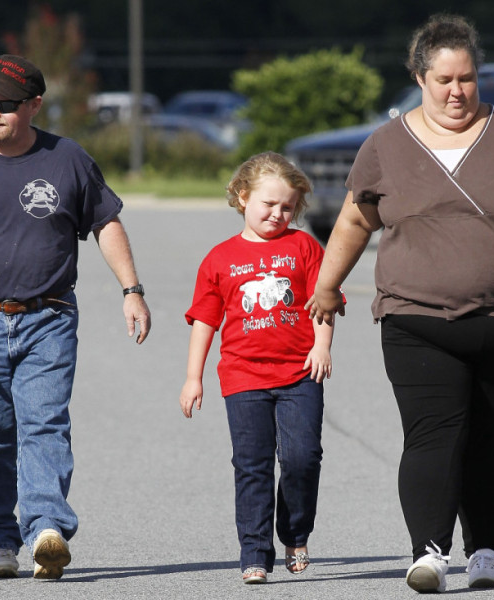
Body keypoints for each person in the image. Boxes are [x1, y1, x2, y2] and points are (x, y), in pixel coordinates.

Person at [306, 14, 494, 593]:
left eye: (468, 79)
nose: (457, 91)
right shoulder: (385, 145)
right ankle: (429, 552)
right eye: (444, 80)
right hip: (415, 317)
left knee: (487, 438)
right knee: (432, 434)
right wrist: (328, 286)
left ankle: (486, 553)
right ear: (419, 77)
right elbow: (356, 217)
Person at [0, 54, 151, 580]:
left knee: (43, 423)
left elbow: (106, 223)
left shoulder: (68, 160)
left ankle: (46, 529)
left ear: (34, 105)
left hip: (49, 317)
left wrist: (131, 289)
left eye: (6, 104)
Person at [179, 152, 333, 585]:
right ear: (242, 197)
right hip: (243, 375)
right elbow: (206, 320)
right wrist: (194, 377)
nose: (277, 214)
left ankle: (295, 532)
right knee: (252, 464)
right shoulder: (219, 258)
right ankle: (255, 552)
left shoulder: (303, 247)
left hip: (301, 373)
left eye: (287, 207)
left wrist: (322, 347)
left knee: (302, 458)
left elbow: (323, 305)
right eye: (268, 204)